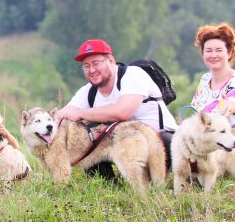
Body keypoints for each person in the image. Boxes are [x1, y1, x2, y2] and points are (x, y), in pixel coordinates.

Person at [54, 39, 178, 177]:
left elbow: (122, 112)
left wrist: (81, 114)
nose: (92, 70)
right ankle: (106, 186)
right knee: (86, 142)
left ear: (111, 60)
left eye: (96, 63)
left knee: (162, 141)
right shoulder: (89, 91)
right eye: (86, 66)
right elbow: (62, 115)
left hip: (159, 140)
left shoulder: (133, 74)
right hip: (123, 144)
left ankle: (157, 182)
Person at [190, 23, 235, 143]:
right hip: (215, 149)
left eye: (219, 50)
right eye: (208, 50)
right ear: (203, 54)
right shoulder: (204, 80)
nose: (213, 55)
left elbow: (228, 107)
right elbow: (196, 115)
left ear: (229, 53)